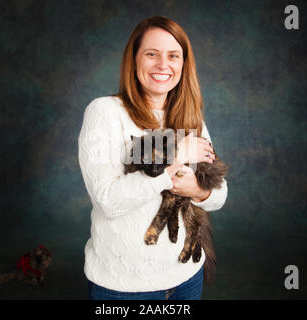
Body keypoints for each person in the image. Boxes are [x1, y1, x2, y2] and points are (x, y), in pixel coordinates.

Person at [78, 16, 228, 300]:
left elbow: (219, 195)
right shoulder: (105, 112)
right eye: (151, 54)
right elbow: (107, 201)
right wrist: (176, 159)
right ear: (133, 60)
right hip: (125, 287)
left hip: (186, 276)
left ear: (183, 65)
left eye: (173, 56)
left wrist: (195, 189)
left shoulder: (190, 117)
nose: (163, 65)